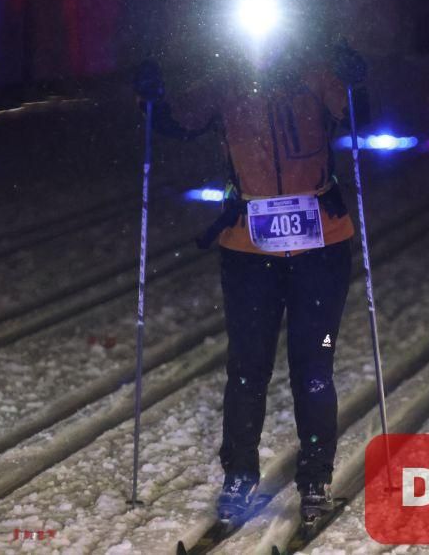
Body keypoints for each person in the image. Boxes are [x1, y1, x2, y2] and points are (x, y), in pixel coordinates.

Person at [133, 33, 369, 523]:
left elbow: (357, 115)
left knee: (315, 365)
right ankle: (239, 476)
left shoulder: (316, 74)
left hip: (321, 253)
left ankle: (316, 478)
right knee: (247, 368)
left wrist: (355, 80)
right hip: (248, 253)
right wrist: (151, 96)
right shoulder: (227, 83)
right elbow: (178, 121)